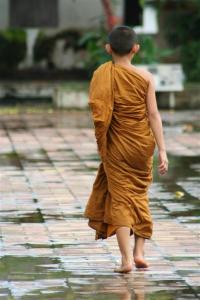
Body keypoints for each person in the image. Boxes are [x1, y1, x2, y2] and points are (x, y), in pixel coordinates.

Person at [84, 26, 168, 273]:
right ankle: (139, 252)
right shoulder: (145, 78)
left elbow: (99, 113)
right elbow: (153, 114)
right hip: (142, 145)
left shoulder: (102, 74)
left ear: (108, 48)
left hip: (116, 146)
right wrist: (162, 150)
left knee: (121, 199)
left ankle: (125, 260)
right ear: (136, 49)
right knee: (140, 196)